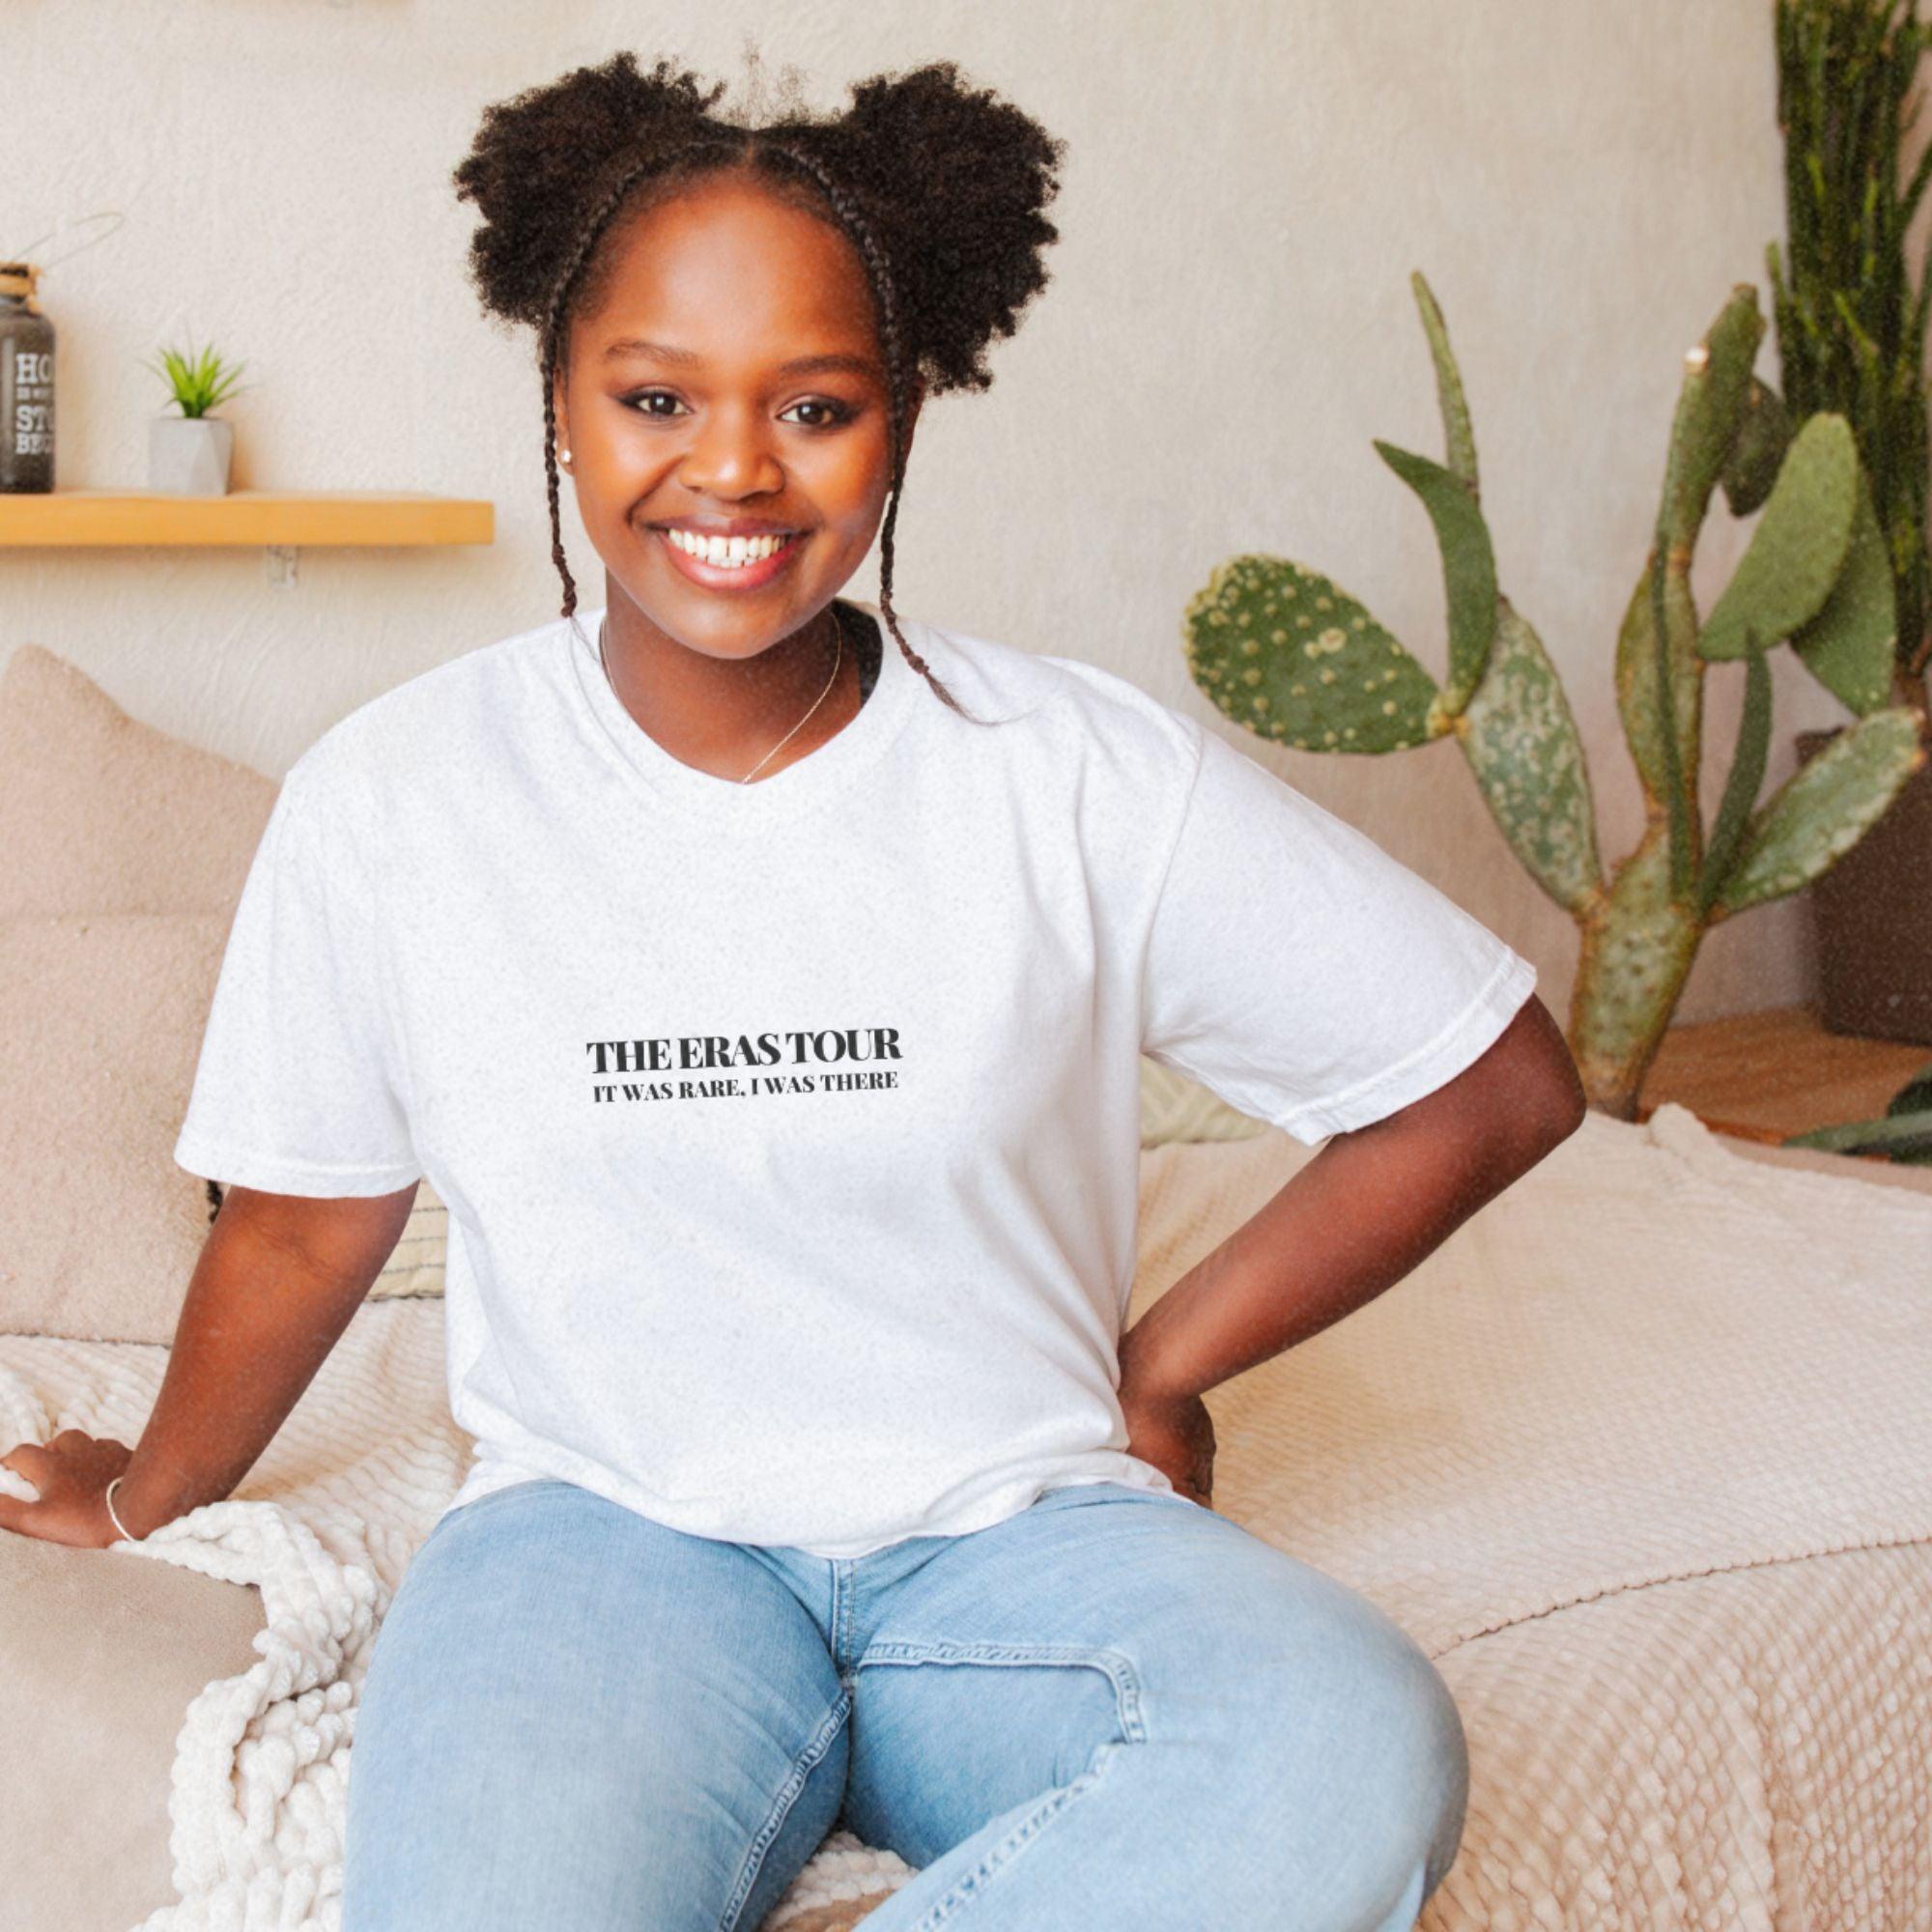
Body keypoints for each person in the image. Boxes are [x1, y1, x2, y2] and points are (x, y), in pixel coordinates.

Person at [0, 49, 1586, 1932]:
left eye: (815, 403)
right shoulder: (400, 794)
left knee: (1345, 1746)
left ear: (903, 410)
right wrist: (143, 1490)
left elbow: (1488, 1081)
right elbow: (295, 1225)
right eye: (656, 395)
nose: (734, 467)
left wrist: (1157, 1366)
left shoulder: (1070, 770)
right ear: (564, 402)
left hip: (1014, 1549)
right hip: (599, 1555)